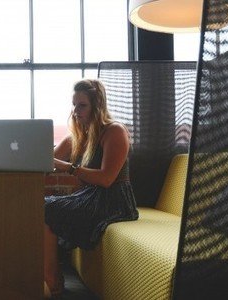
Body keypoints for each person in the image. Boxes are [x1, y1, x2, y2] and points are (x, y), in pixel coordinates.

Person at [43, 79, 139, 298]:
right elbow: (47, 162)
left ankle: (52, 280)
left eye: (82, 105)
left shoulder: (114, 131)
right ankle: (51, 276)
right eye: (74, 105)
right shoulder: (77, 136)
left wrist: (69, 168)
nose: (75, 111)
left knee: (47, 209)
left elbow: (106, 179)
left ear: (97, 106)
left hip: (114, 200)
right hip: (89, 196)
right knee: (42, 206)